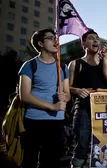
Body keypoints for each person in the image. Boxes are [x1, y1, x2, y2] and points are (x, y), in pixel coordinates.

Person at [19, 29, 70, 168]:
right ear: (41, 43)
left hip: (56, 122)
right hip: (34, 120)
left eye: (56, 38)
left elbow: (68, 94)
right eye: (50, 38)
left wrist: (64, 97)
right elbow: (24, 95)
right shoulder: (29, 65)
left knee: (51, 162)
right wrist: (52, 107)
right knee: (29, 160)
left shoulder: (63, 67)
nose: (56, 41)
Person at [68, 30, 107, 168]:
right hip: (83, 110)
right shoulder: (75, 64)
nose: (95, 41)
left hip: (104, 112)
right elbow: (67, 88)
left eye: (97, 38)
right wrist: (76, 90)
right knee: (81, 147)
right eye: (91, 38)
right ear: (83, 43)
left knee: (104, 149)